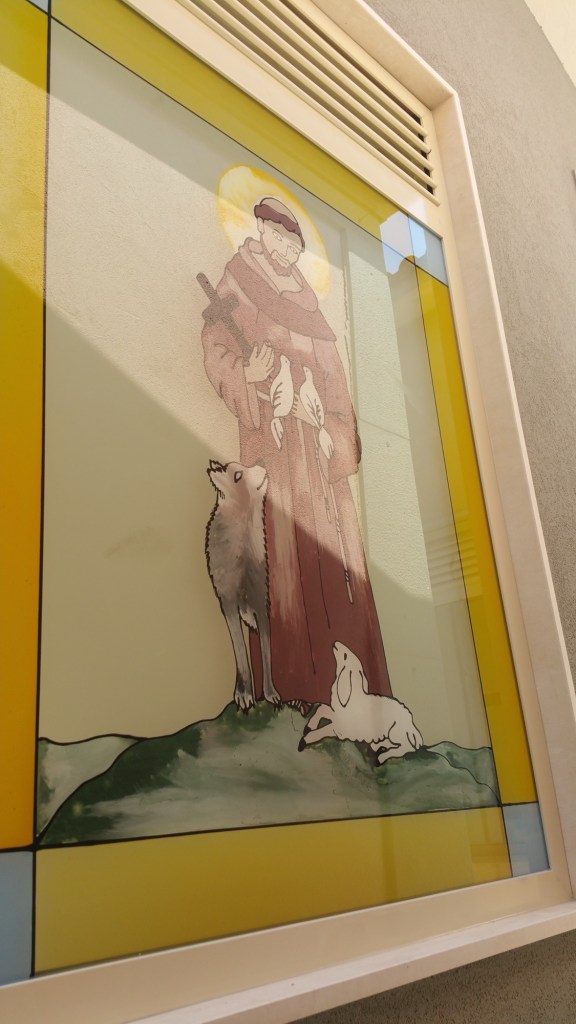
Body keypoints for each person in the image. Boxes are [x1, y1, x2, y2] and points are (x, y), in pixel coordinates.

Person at [201, 196, 392, 706]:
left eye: (294, 243)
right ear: (261, 230)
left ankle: (350, 698)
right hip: (274, 451)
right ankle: (286, 689)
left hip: (319, 457)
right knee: (278, 562)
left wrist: (328, 427)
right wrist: (248, 374)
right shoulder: (238, 280)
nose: (287, 250)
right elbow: (216, 345)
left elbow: (336, 385)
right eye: (280, 238)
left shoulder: (309, 303)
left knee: (333, 565)